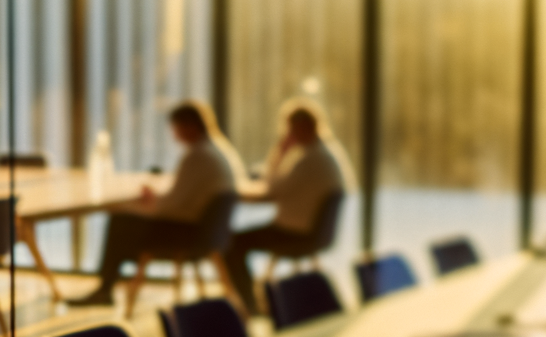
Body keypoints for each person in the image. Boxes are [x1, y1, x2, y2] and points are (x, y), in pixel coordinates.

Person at [67, 101, 251, 308]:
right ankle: (106, 287)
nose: (174, 134)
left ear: (189, 126)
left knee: (120, 222)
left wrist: (138, 205)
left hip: (190, 235)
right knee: (124, 220)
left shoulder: (198, 156)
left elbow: (170, 206)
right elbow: (182, 198)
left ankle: (105, 288)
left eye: (176, 128)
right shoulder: (216, 151)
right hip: (208, 234)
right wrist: (155, 200)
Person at [222, 100, 353, 314]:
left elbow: (273, 188)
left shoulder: (310, 159)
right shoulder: (325, 153)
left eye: (289, 129)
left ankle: (250, 304)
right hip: (313, 231)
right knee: (237, 240)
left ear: (299, 128)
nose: (287, 133)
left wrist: (280, 152)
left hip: (295, 232)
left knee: (232, 244)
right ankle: (253, 300)